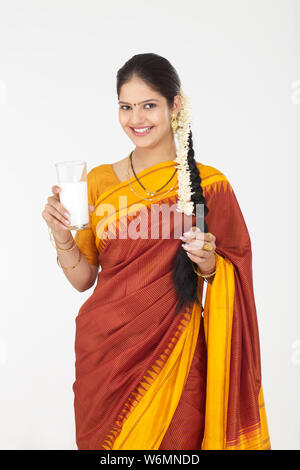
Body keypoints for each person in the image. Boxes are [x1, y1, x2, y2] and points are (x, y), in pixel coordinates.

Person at [42, 53, 270, 450]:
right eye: (126, 107)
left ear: (174, 105)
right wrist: (61, 236)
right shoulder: (97, 182)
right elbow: (83, 280)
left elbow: (236, 267)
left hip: (176, 354)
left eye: (149, 105)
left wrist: (210, 263)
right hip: (105, 357)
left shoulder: (210, 185)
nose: (137, 118)